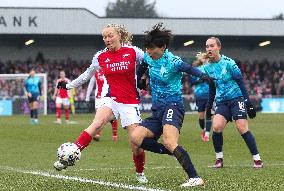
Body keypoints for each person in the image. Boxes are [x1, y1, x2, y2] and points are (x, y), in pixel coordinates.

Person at [54, 23, 148, 183]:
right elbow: (87, 75)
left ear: (119, 35)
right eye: (104, 37)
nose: (107, 39)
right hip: (109, 97)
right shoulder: (100, 56)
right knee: (98, 123)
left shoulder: (133, 51)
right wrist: (68, 85)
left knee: (136, 144)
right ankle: (68, 156)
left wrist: (144, 78)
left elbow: (149, 62)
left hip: (129, 101)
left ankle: (140, 173)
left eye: (110, 35)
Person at [130, 23, 215, 187]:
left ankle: (194, 177)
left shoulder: (174, 61)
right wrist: (140, 80)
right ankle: (175, 152)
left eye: (151, 47)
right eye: (146, 47)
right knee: (135, 138)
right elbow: (141, 69)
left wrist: (204, 76)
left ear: (162, 47)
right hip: (157, 110)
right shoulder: (149, 58)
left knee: (169, 141)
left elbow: (190, 69)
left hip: (173, 106)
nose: (147, 51)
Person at [203, 37, 263, 168]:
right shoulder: (207, 67)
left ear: (219, 47)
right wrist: (209, 106)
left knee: (241, 127)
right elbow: (212, 87)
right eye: (207, 46)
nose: (209, 49)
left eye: (212, 46)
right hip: (222, 102)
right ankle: (219, 160)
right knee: (217, 126)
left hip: (237, 99)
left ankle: (257, 160)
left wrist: (248, 103)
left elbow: (241, 82)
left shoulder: (229, 63)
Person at [85, 71, 119, 142]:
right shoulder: (96, 72)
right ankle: (97, 134)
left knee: (113, 116)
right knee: (98, 116)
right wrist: (87, 97)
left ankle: (114, 135)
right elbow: (91, 85)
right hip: (98, 97)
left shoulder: (111, 69)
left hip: (109, 97)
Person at [191, 52, 212, 142]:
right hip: (199, 95)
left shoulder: (210, 68)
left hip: (210, 94)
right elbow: (192, 82)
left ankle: (207, 134)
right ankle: (204, 129)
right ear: (200, 59)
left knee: (209, 114)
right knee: (201, 117)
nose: (205, 59)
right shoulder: (196, 69)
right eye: (204, 58)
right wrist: (200, 80)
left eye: (206, 58)